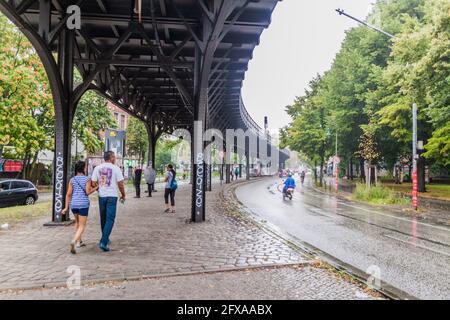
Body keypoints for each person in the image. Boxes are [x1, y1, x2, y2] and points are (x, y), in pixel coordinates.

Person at [91, 151, 126, 252]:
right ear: (111, 158)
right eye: (114, 157)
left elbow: (93, 182)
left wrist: (99, 189)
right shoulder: (116, 168)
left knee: (103, 218)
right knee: (110, 219)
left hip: (102, 196)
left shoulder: (97, 168)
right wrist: (123, 195)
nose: (115, 158)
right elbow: (120, 184)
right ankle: (104, 242)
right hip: (112, 196)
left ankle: (105, 238)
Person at [61, 160, 98, 254]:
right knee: (82, 225)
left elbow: (68, 194)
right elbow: (87, 192)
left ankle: (79, 242)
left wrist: (66, 208)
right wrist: (96, 188)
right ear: (83, 168)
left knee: (77, 222)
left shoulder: (72, 179)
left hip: (73, 205)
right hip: (83, 204)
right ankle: (74, 240)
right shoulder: (87, 179)